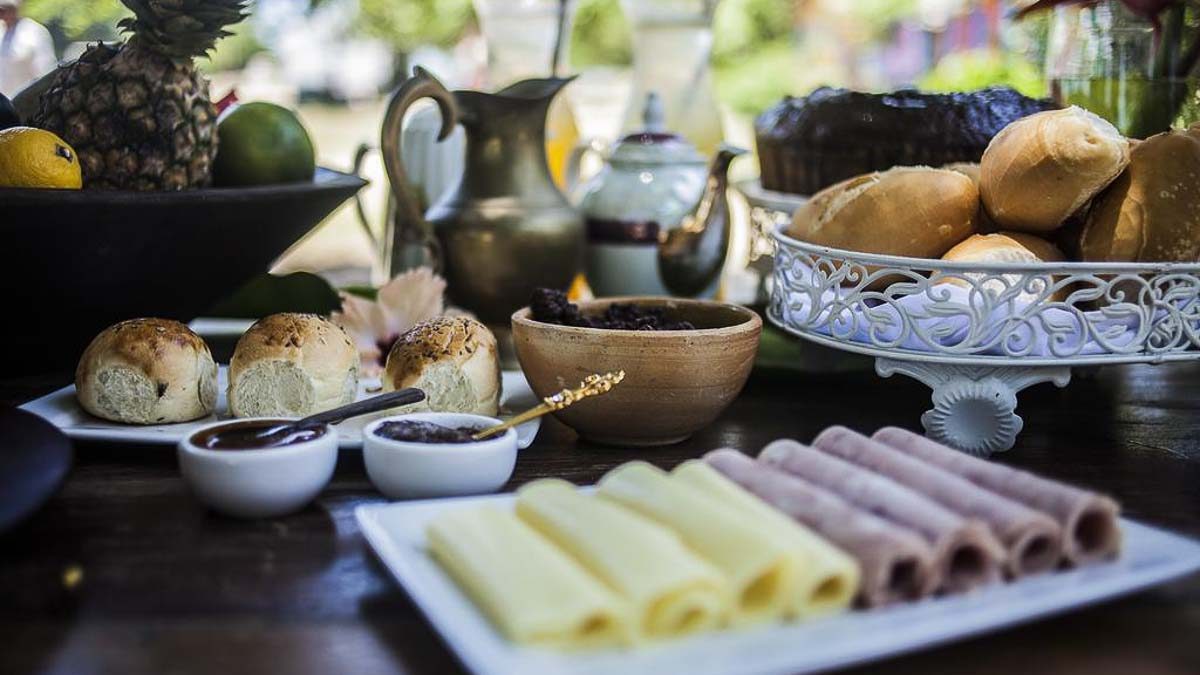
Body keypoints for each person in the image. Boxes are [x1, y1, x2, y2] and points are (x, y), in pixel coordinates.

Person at [0, 0, 56, 96]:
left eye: (9, 9)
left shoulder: (34, 32)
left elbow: (45, 72)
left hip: (27, 99)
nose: (5, 13)